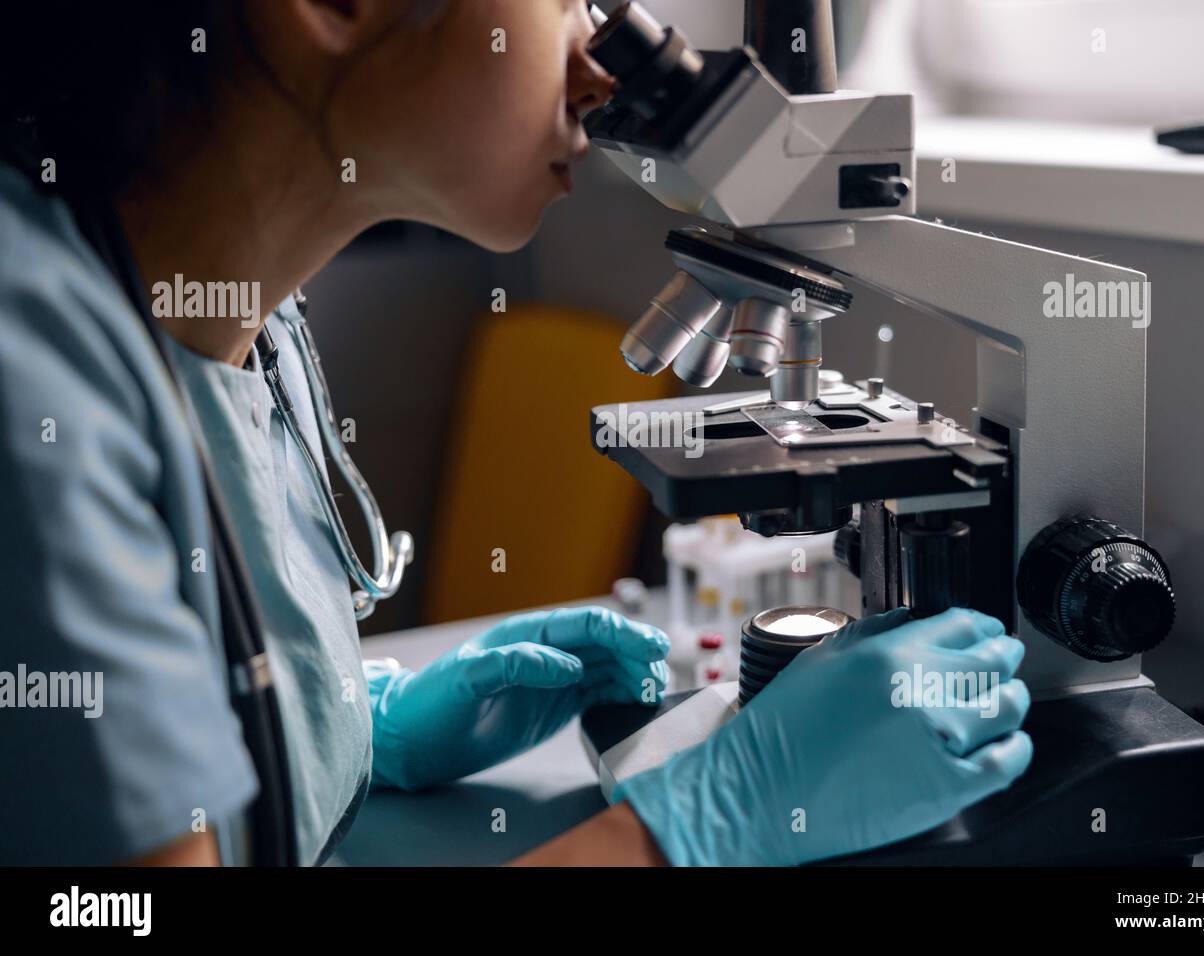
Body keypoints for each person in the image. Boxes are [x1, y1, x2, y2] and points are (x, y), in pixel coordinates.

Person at [0, 0, 1032, 867]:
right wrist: (689, 829)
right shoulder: (31, 388)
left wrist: (340, 725)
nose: (595, 65)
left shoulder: (247, 324)